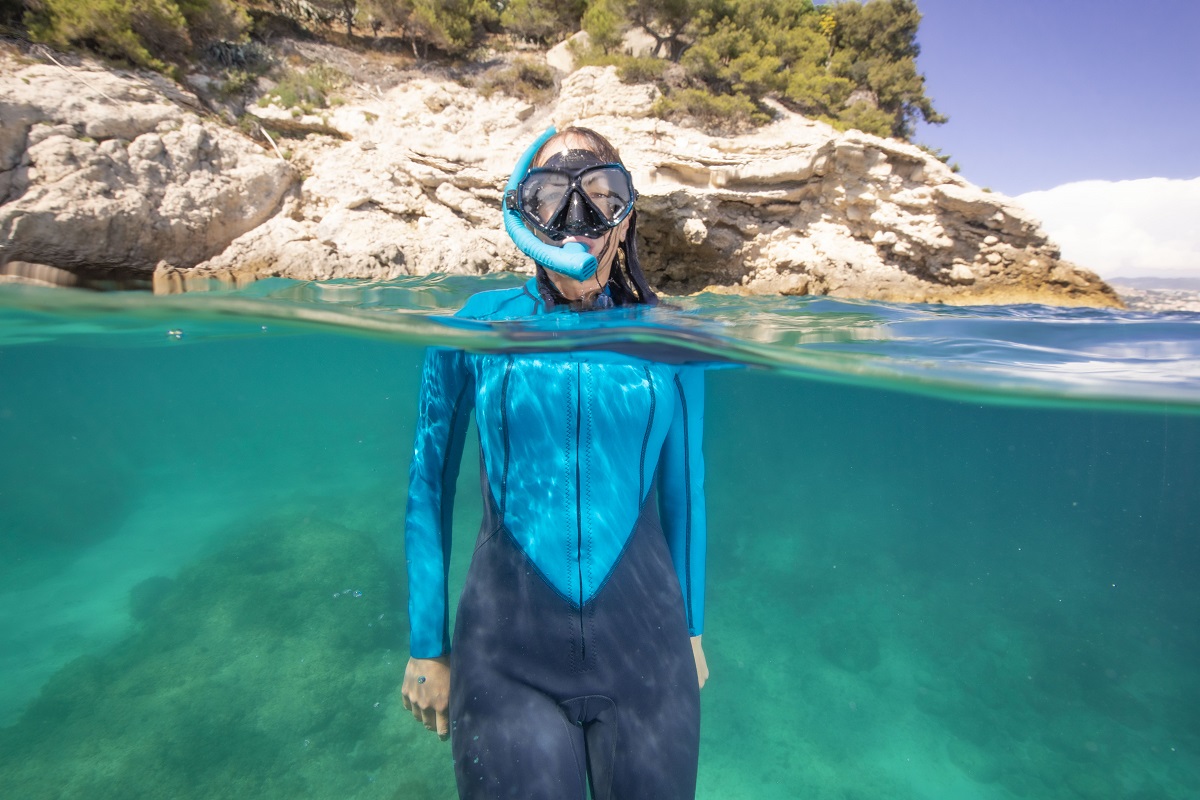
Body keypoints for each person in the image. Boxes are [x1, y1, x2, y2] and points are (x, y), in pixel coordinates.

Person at [400, 126, 709, 800]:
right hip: (506, 666)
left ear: (626, 220)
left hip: (650, 661)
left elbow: (686, 495)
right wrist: (427, 643)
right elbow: (428, 485)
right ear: (525, 218)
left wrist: (692, 630)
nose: (580, 224)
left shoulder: (670, 337)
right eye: (551, 200)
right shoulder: (474, 328)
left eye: (603, 197)